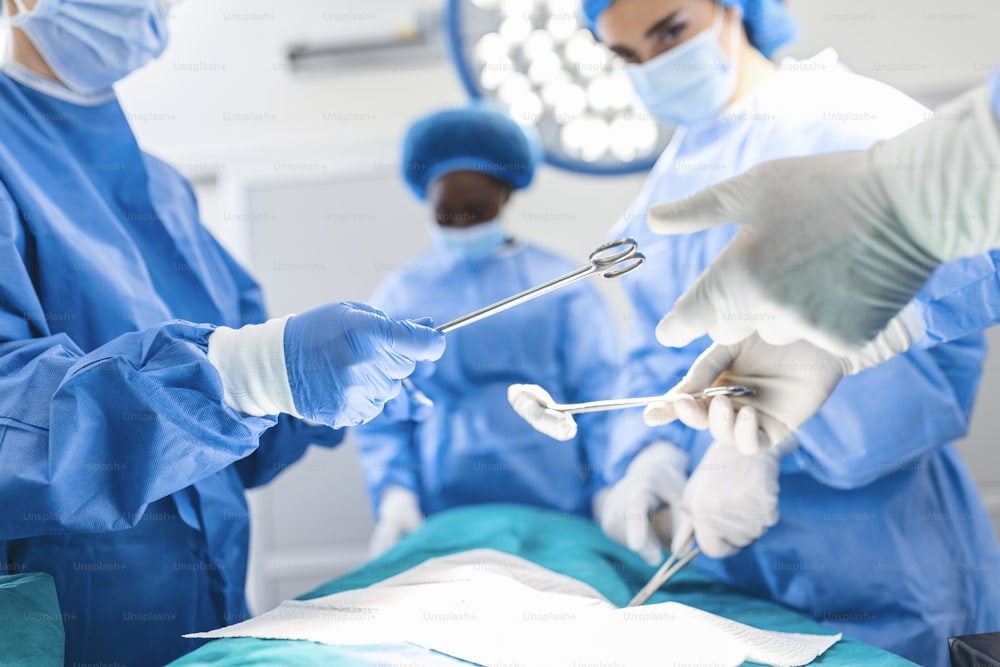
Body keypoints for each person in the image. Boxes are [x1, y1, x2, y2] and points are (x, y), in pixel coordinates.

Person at [0, 1, 443, 664]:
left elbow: (234, 444)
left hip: (210, 615)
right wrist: (248, 372)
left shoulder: (162, 189)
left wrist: (317, 393)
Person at [582, 0, 1000, 663]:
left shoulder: (841, 114)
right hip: (726, 562)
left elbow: (944, 328)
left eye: (670, 31)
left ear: (732, 9)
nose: (656, 66)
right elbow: (648, 352)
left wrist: (765, 447)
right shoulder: (666, 185)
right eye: (630, 56)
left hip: (880, 549)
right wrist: (649, 454)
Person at [644, 70, 1000, 451]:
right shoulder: (674, 172)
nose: (652, 64)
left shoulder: (829, 107)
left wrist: (895, 202)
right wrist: (891, 325)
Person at [354, 106, 620, 557]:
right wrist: (395, 495)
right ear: (427, 203)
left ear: (506, 197)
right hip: (442, 520)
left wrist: (612, 487)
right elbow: (382, 410)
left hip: (559, 516)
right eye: (448, 214)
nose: (463, 224)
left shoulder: (560, 288)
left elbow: (601, 398)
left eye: (476, 211)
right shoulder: (401, 294)